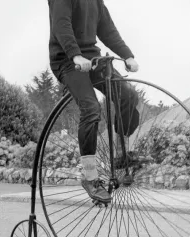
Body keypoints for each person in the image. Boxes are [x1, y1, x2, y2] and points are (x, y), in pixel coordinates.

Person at [48, 0, 140, 204]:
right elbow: (61, 25)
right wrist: (75, 55)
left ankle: (121, 150)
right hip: (67, 60)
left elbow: (107, 29)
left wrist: (127, 55)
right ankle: (90, 177)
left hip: (93, 58)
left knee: (128, 94)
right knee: (91, 108)